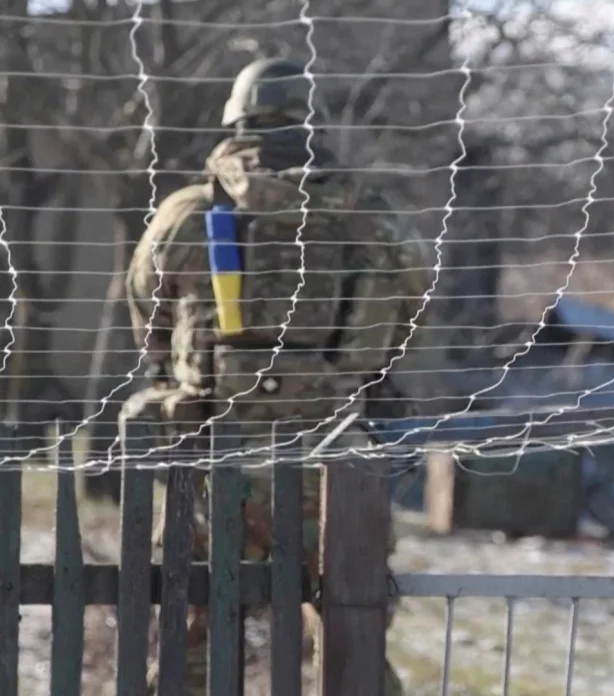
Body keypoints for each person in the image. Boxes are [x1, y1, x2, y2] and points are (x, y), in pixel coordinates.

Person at [123, 57, 430, 694]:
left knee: (196, 642)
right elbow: (411, 304)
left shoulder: (187, 211)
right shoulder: (369, 212)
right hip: (335, 457)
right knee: (355, 638)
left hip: (214, 458)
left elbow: (147, 316)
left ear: (236, 119)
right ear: (307, 123)